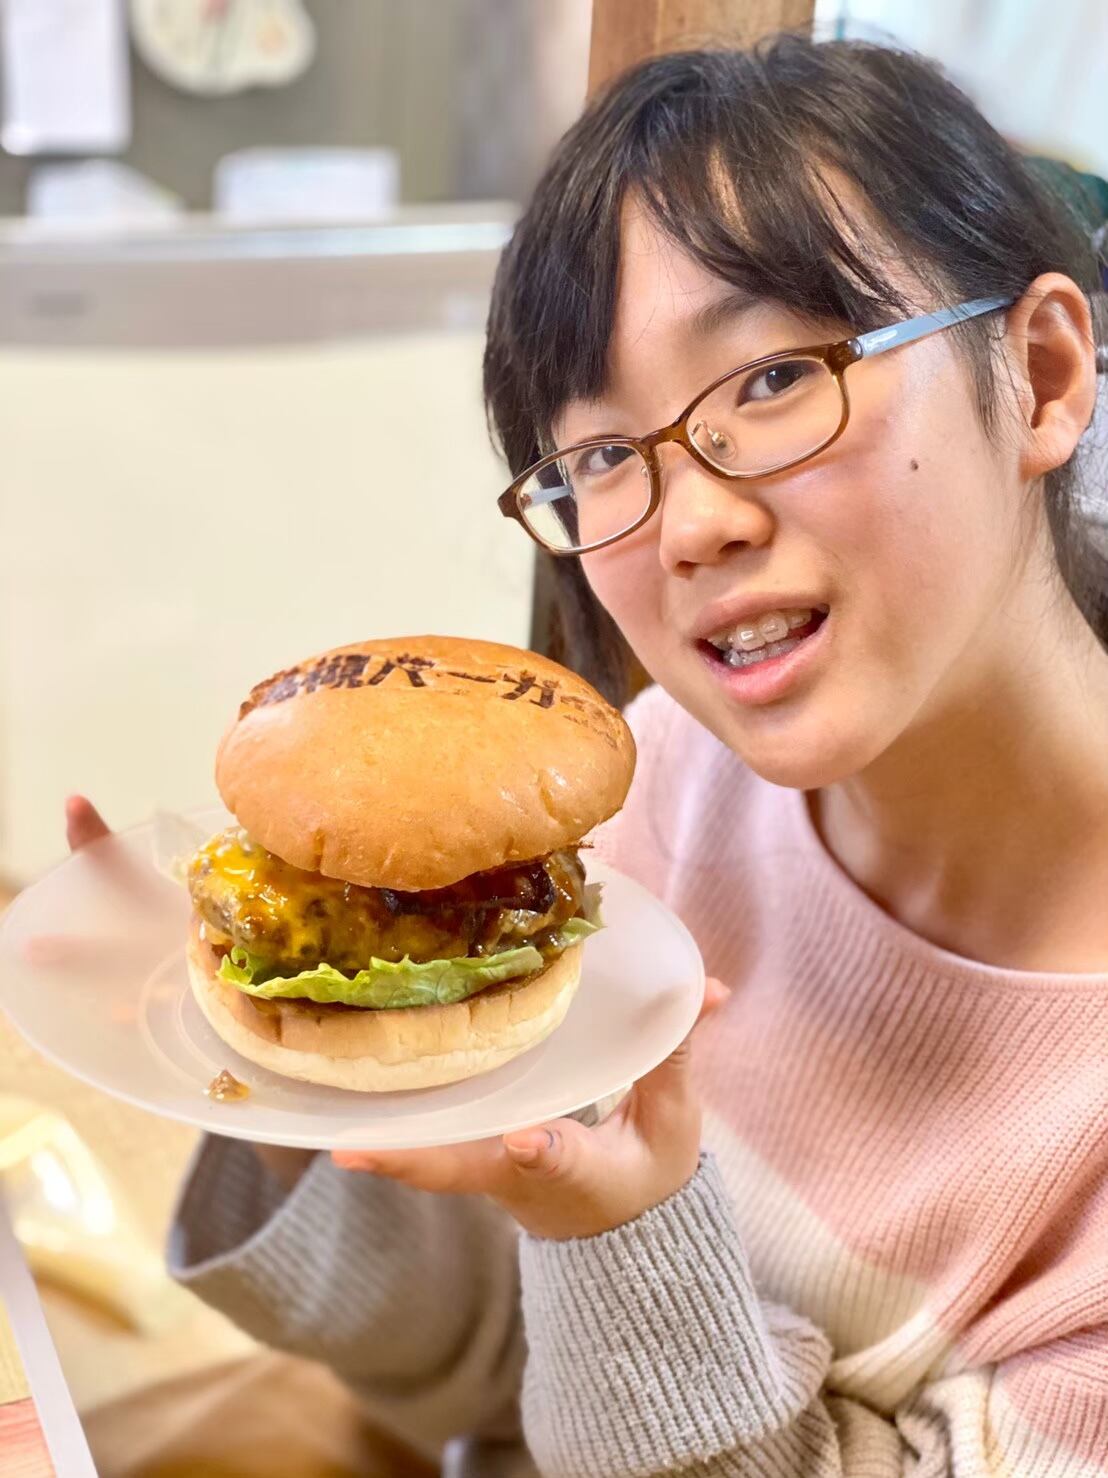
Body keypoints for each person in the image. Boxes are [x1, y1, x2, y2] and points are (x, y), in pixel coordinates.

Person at [68, 34, 1108, 1476]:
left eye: (772, 379)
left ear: (1042, 374)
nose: (692, 527)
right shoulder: (668, 784)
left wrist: (628, 1235)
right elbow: (487, 1374)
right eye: (604, 457)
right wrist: (280, 1073)